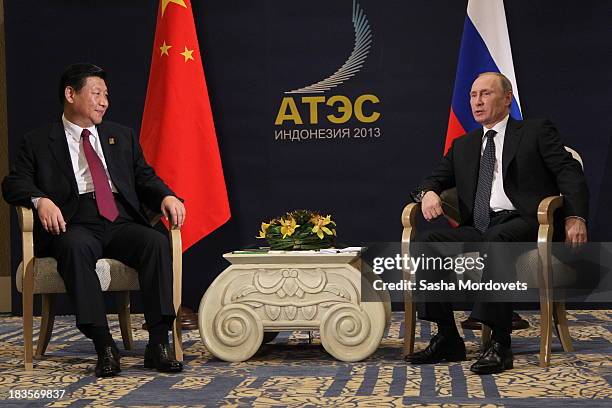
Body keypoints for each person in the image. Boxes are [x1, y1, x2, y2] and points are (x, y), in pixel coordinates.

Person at [2, 63, 186, 377]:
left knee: (155, 241)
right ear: (70, 94)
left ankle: (158, 343)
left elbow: (145, 178)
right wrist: (40, 200)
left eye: (106, 95)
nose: (104, 101)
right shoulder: (38, 141)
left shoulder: (120, 135)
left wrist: (166, 196)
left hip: (118, 219)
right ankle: (104, 345)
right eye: (96, 93)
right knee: (74, 248)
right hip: (73, 222)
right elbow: (13, 183)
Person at [406, 72, 589, 374]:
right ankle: (448, 337)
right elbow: (434, 178)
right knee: (428, 244)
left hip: (527, 223)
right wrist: (427, 193)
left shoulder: (535, 131)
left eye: (486, 94)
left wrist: (575, 215)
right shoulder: (463, 144)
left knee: (497, 239)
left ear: (507, 98)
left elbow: (569, 173)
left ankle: (500, 343)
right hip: (480, 225)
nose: (477, 101)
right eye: (473, 95)